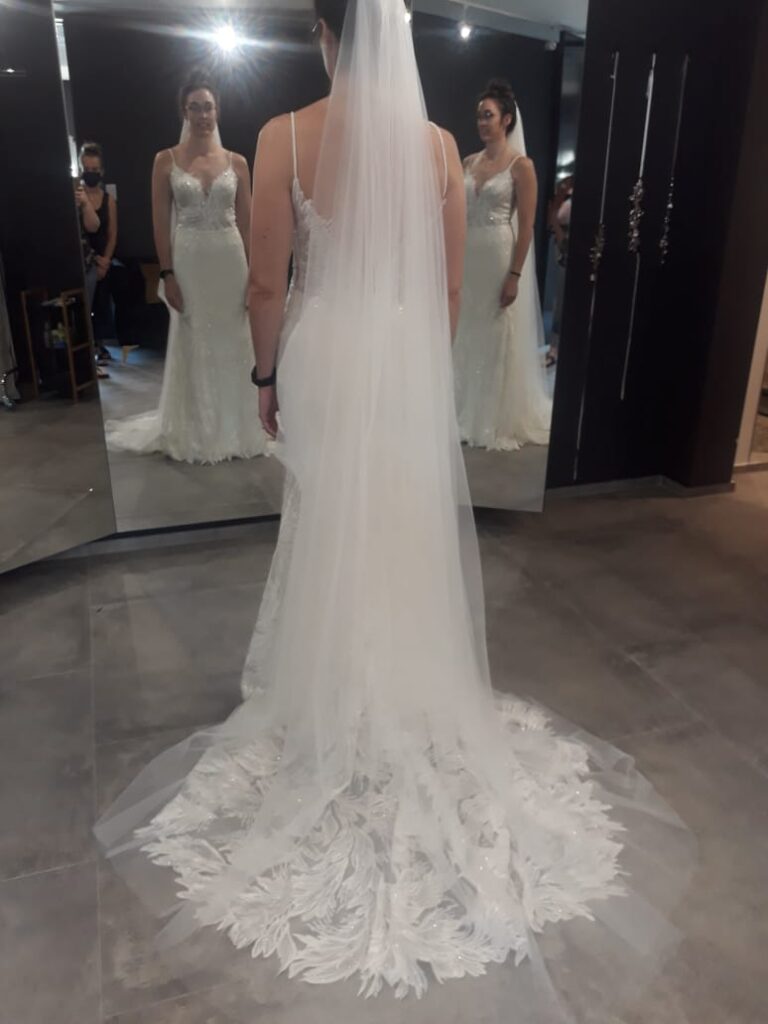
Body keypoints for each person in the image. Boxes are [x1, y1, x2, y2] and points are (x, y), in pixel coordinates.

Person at [95, 2, 691, 1016]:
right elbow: (448, 291)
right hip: (404, 360)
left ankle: (337, 698)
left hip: (327, 355)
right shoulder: (437, 147)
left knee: (334, 528)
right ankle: (402, 691)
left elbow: (268, 286)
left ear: (326, 34)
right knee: (398, 533)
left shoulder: (285, 136)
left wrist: (267, 378)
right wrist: (415, 370)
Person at [104, 72, 266, 463]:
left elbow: (248, 224)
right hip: (190, 262)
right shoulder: (166, 160)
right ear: (184, 111)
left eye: (208, 107)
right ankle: (199, 429)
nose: (202, 115)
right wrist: (167, 273)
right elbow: (160, 223)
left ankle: (238, 426)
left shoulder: (238, 163)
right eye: (195, 107)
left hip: (230, 261)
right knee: (194, 339)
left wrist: (256, 276)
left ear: (217, 111)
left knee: (233, 340)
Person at [453, 80, 552, 451]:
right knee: (465, 330)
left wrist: (514, 275)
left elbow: (526, 226)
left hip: (498, 256)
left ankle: (489, 417)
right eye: (479, 116)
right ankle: (462, 410)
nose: (481, 122)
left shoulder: (521, 167)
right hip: (468, 256)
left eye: (488, 115)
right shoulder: (468, 162)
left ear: (506, 120)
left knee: (494, 331)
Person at [546, 171, 574, 366]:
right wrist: (560, 236)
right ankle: (554, 347)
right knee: (561, 300)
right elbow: (555, 218)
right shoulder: (565, 189)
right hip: (564, 248)